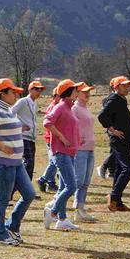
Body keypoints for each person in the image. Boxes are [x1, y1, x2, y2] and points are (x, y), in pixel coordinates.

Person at [0, 78, 36, 245]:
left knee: (29, 194)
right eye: (13, 92)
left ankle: (12, 226)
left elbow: (6, 128)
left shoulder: (8, 110)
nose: (16, 95)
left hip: (16, 163)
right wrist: (2, 146)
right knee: (3, 200)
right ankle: (0, 234)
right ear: (2, 94)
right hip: (3, 164)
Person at [42, 80, 83, 231]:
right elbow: (47, 122)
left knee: (64, 187)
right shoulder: (60, 106)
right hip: (61, 152)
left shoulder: (69, 107)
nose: (78, 92)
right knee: (72, 186)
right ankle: (52, 212)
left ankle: (62, 220)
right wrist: (62, 138)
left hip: (69, 153)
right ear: (68, 92)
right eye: (75, 90)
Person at [97, 76, 130, 212]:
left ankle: (117, 203)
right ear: (116, 87)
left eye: (128, 86)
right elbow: (101, 116)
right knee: (129, 168)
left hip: (125, 139)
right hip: (119, 140)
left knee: (119, 169)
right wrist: (112, 130)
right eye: (124, 86)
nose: (127, 88)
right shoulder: (113, 99)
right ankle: (113, 196)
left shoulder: (120, 99)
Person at [70, 83, 98, 222]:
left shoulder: (85, 108)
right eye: (84, 91)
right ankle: (56, 206)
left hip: (89, 149)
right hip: (80, 150)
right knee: (79, 181)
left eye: (88, 91)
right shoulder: (74, 109)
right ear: (77, 93)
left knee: (85, 182)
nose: (87, 94)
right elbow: (68, 126)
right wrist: (75, 138)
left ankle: (80, 209)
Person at [11, 80, 45, 185]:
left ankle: (26, 188)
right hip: (23, 137)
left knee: (31, 164)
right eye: (36, 89)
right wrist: (18, 127)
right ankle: (18, 186)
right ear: (30, 90)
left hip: (31, 138)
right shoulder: (23, 101)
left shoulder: (35, 103)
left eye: (40, 90)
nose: (39, 92)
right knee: (28, 162)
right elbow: (10, 112)